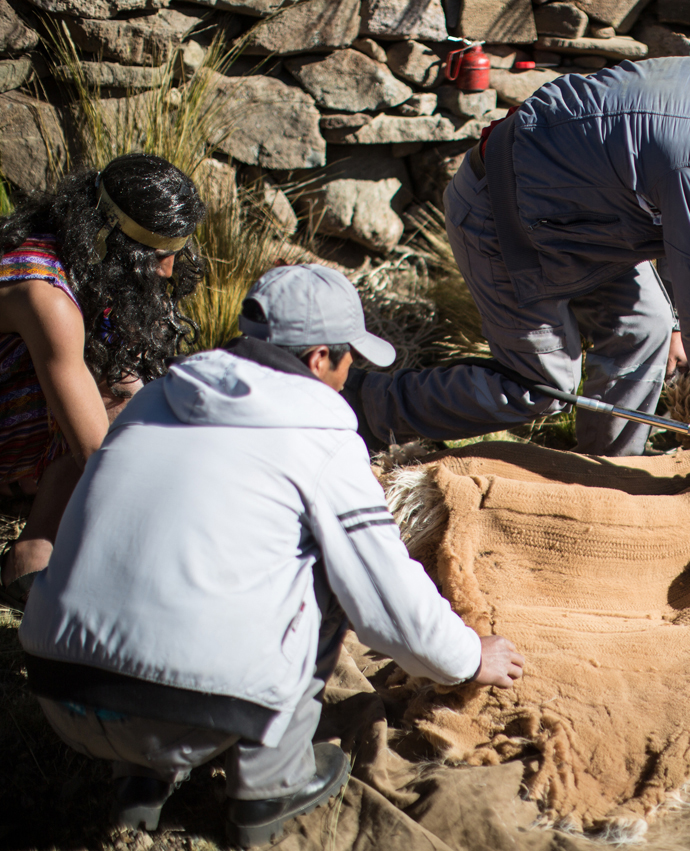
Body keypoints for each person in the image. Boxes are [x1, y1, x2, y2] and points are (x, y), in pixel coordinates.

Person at [19, 265, 524, 845]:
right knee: (330, 573)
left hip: (59, 687)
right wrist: (465, 657)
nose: (349, 373)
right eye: (346, 358)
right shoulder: (320, 437)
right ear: (317, 359)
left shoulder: (157, 397)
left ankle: (139, 785)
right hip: (187, 709)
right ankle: (267, 791)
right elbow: (386, 598)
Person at [344, 56, 690, 482]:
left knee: (650, 326)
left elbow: (681, 232)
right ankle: (365, 407)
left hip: (581, 213)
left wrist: (682, 320)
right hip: (505, 215)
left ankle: (600, 478)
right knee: (539, 387)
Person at [0, 153, 205, 610]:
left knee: (128, 395)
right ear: (111, 237)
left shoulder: (83, 254)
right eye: (157, 256)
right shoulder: (46, 296)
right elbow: (98, 454)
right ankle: (36, 555)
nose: (169, 271)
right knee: (116, 428)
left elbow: (130, 384)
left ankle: (34, 548)